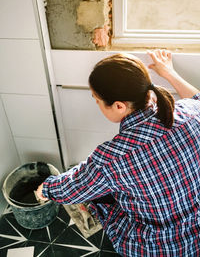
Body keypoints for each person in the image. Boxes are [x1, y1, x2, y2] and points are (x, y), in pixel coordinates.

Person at [36, 49, 200, 256]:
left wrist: (46, 188)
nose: (96, 103)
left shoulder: (113, 158)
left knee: (98, 195)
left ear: (119, 106)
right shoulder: (192, 113)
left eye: (96, 100)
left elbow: (73, 188)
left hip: (159, 248)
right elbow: (197, 98)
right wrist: (168, 72)